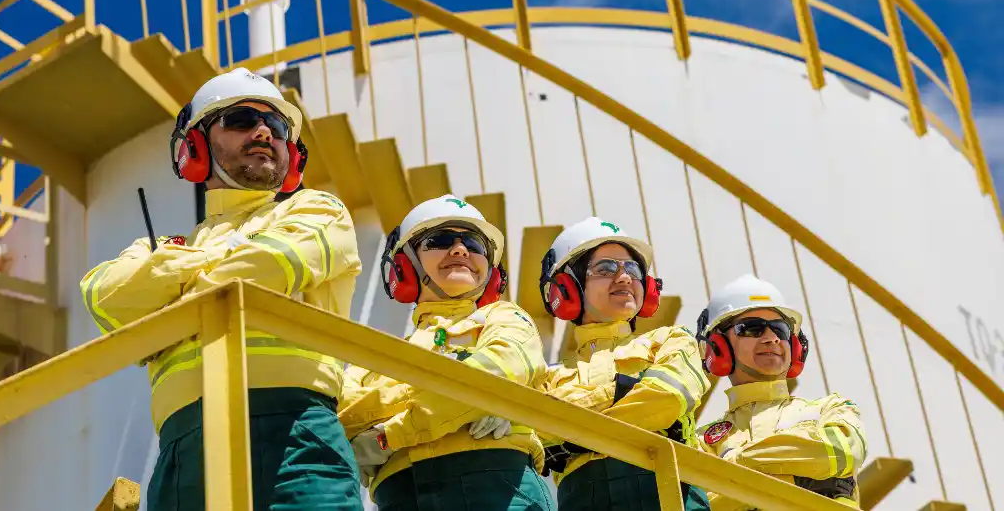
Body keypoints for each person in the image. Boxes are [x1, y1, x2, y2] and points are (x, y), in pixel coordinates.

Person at [79, 68, 363, 511]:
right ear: (194, 148)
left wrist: (170, 301)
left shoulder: (318, 210)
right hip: (181, 446)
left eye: (278, 126)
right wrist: (212, 262)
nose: (264, 132)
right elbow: (103, 299)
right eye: (242, 120)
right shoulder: (162, 246)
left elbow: (269, 263)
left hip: (293, 431)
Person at [338, 195, 554, 511]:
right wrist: (473, 402)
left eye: (475, 245)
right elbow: (345, 413)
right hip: (402, 494)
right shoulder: (376, 357)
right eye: (439, 240)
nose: (460, 250)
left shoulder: (507, 318)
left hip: (497, 483)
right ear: (405, 266)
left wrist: (392, 434)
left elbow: (502, 368)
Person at [538, 218, 711, 511]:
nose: (624, 278)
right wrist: (623, 391)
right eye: (605, 269)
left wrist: (571, 423)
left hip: (671, 493)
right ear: (566, 287)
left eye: (632, 269)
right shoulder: (547, 374)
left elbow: (667, 399)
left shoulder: (672, 340)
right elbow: (535, 429)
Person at [695, 275, 866, 510]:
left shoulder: (831, 408)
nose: (772, 338)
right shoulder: (701, 441)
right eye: (753, 329)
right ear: (718, 346)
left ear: (796, 347)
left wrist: (736, 464)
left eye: (780, 330)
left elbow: (842, 452)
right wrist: (801, 479)